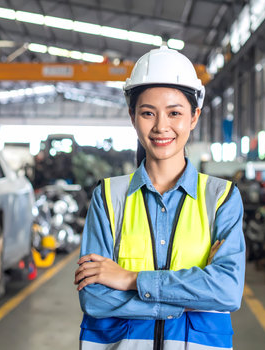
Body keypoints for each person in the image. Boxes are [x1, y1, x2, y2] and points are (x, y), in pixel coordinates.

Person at [74, 46, 245, 350]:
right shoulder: (108, 197)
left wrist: (129, 279)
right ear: (132, 116)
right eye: (148, 113)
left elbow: (227, 291)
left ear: (194, 117)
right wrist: (191, 297)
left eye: (175, 113)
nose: (161, 126)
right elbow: (95, 297)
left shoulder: (222, 198)